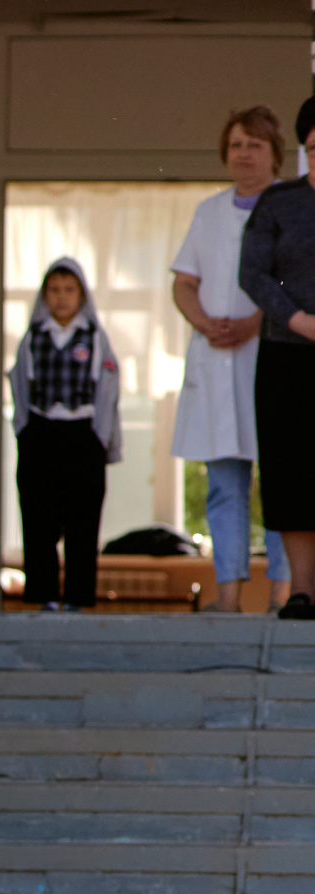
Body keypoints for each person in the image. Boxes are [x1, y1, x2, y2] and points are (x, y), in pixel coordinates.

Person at [172, 107, 285, 612]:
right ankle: (229, 595)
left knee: (281, 482)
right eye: (237, 144)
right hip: (217, 360)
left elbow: (294, 281)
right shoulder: (209, 212)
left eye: (254, 145)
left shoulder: (290, 207)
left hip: (272, 355)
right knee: (223, 484)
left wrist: (254, 322)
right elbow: (184, 282)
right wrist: (204, 323)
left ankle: (285, 591)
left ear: (275, 155)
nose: (244, 154)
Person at [7, 258, 123, 612]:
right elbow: (19, 384)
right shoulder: (33, 338)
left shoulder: (94, 337)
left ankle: (77, 598)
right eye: (54, 290)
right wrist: (24, 429)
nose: (61, 298)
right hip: (41, 432)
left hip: (82, 434)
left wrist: (100, 438)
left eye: (69, 290)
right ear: (44, 295)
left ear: (81, 295)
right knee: (38, 518)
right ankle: (43, 596)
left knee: (82, 521)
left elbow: (108, 388)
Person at [240, 98, 315, 617]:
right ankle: (302, 590)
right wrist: (298, 319)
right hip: (287, 356)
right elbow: (253, 274)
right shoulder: (278, 202)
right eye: (314, 147)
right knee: (292, 473)